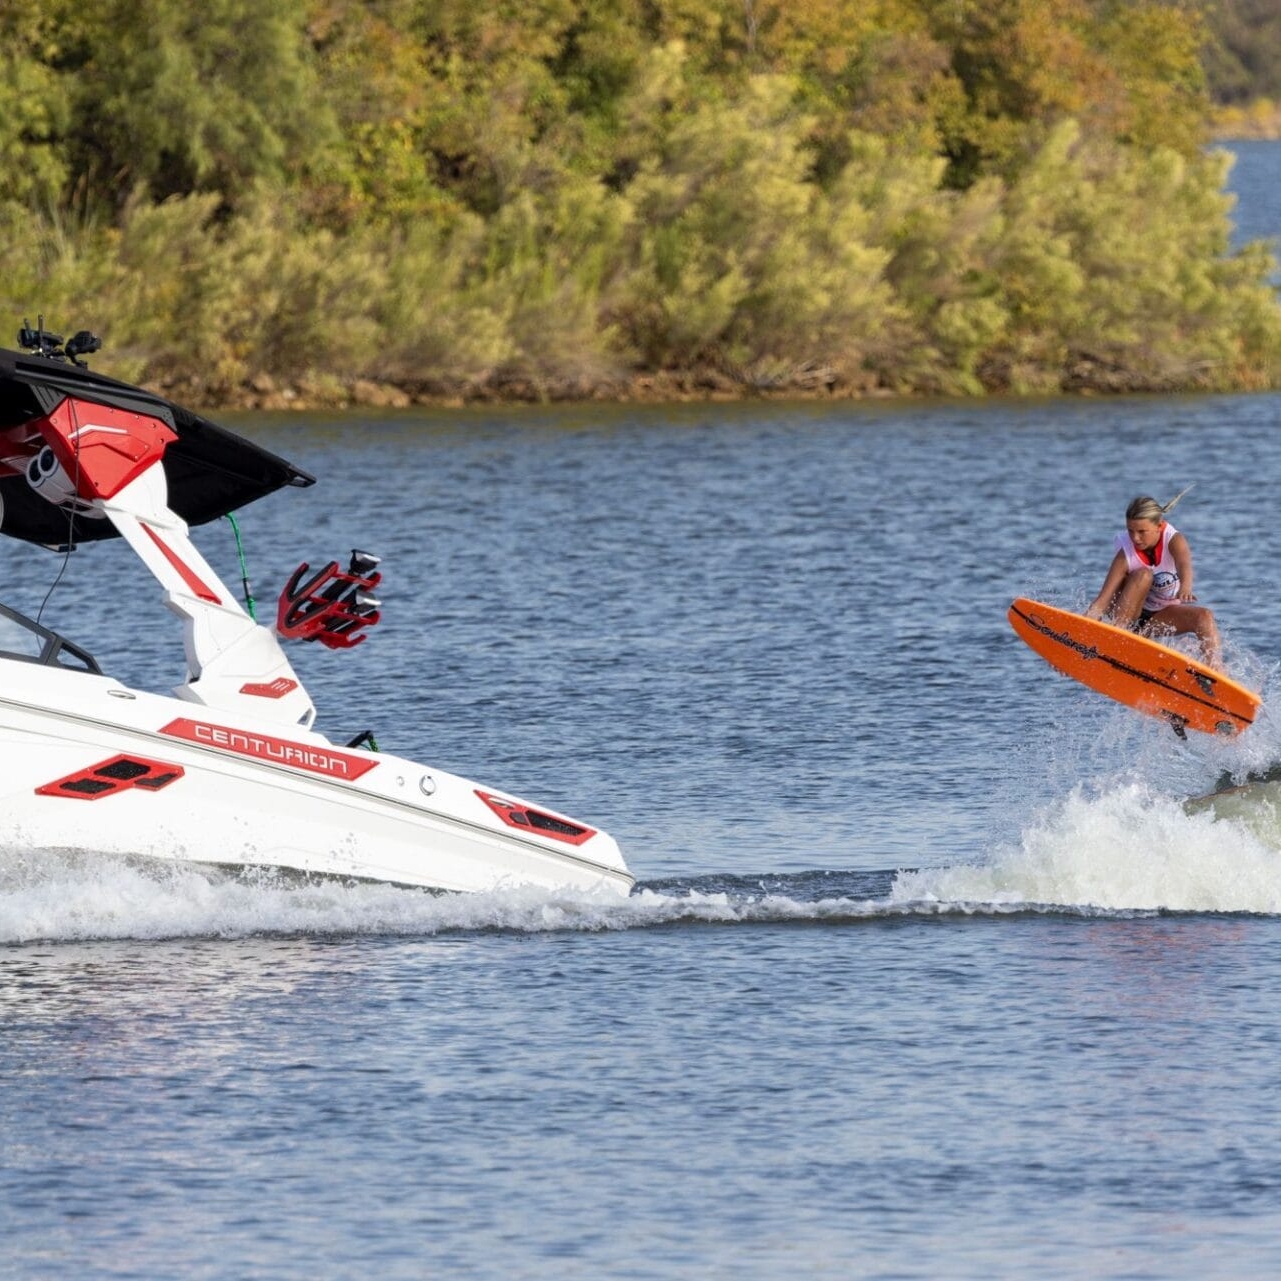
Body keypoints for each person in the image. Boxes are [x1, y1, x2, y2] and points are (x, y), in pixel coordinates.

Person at [1085, 488, 1222, 669]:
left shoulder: (1174, 540)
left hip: (1157, 618)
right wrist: (1077, 642)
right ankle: (1116, 641)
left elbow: (1184, 564)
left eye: (1142, 531)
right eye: (1130, 530)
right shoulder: (1125, 553)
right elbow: (1101, 603)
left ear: (1159, 526)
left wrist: (1186, 587)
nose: (1135, 538)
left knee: (1204, 616)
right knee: (1143, 575)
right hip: (1126, 615)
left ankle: (1216, 672)